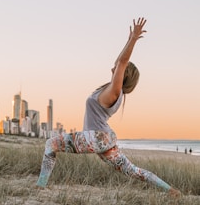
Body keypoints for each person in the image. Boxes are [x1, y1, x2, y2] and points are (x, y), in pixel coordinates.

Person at [36, 17, 180, 197]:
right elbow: (119, 60)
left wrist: (134, 40)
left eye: (120, 68)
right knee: (133, 171)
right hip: (105, 139)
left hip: (95, 137)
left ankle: (40, 186)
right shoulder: (113, 92)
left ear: (123, 74)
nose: (115, 66)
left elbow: (121, 62)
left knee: (51, 144)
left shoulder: (114, 91)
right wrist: (128, 39)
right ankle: (171, 191)